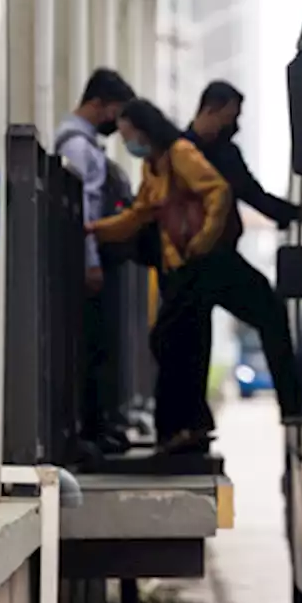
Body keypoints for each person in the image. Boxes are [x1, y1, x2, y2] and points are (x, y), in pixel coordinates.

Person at [87, 98, 233, 454]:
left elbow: (219, 191)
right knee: (174, 343)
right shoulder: (153, 168)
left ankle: (185, 426)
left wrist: (204, 239)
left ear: (144, 130)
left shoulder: (181, 154)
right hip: (175, 268)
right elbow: (138, 215)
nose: (127, 143)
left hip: (193, 265)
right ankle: (181, 429)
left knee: (170, 341)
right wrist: (95, 229)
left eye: (129, 135)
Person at [175, 81, 302, 425]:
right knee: (196, 343)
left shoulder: (212, 151)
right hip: (201, 261)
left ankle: (288, 407)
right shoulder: (186, 154)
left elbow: (251, 192)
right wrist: (295, 214)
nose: (236, 125)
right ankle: (289, 405)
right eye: (232, 116)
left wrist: (293, 214)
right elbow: (252, 195)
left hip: (212, 260)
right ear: (211, 110)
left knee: (259, 316)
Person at [55, 68, 136, 455]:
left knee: (98, 346)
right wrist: (91, 263)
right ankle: (89, 429)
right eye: (114, 112)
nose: (116, 124)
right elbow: (84, 210)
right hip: (88, 264)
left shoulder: (81, 145)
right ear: (97, 104)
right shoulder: (76, 147)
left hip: (91, 261)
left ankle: (97, 425)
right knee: (92, 347)